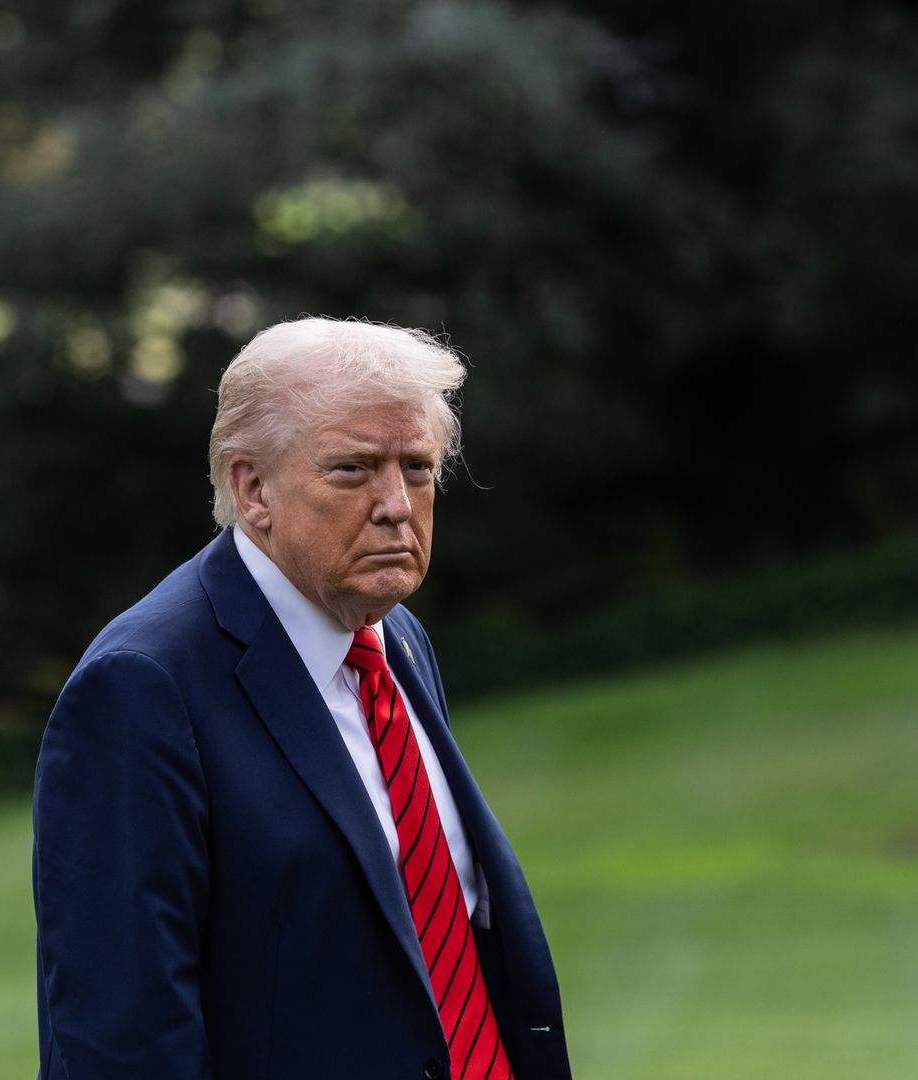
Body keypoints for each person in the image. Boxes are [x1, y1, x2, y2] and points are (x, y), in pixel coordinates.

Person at [32, 318, 571, 1079]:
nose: (396, 504)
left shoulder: (394, 635)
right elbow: (121, 1036)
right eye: (353, 470)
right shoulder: (142, 685)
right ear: (253, 489)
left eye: (416, 467)